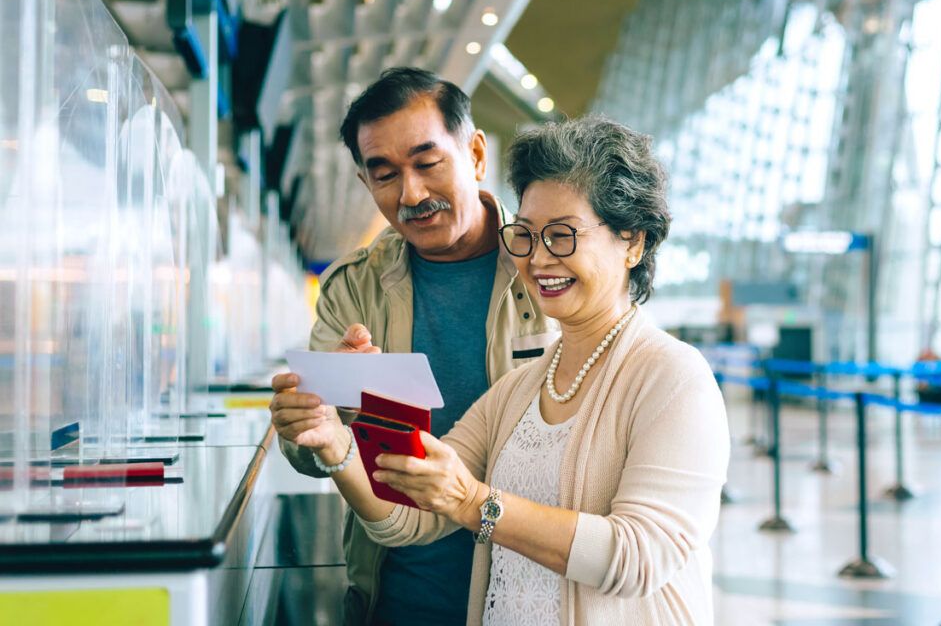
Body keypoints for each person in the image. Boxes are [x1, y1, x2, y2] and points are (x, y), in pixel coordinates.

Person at [290, 116, 730, 625]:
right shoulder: (522, 388)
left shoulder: (673, 378)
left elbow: (637, 557)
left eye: (562, 236)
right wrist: (335, 444)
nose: (538, 259)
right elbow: (410, 514)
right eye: (526, 234)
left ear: (633, 241)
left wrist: (475, 502)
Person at [269, 67, 557, 625]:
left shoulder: (546, 267)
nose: (411, 194)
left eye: (428, 164)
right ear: (364, 182)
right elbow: (312, 452)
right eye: (385, 175)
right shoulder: (353, 286)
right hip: (395, 595)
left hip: (532, 595)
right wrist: (313, 425)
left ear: (475, 154)